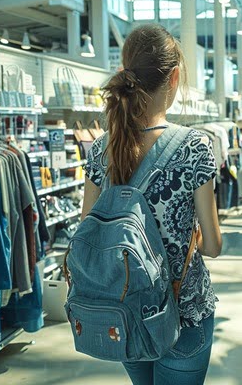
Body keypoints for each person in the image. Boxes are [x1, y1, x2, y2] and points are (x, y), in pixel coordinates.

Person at [80, 24, 222, 385]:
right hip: (183, 310)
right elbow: (214, 245)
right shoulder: (195, 146)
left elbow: (88, 231)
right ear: (174, 77)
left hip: (124, 310)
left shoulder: (101, 150)